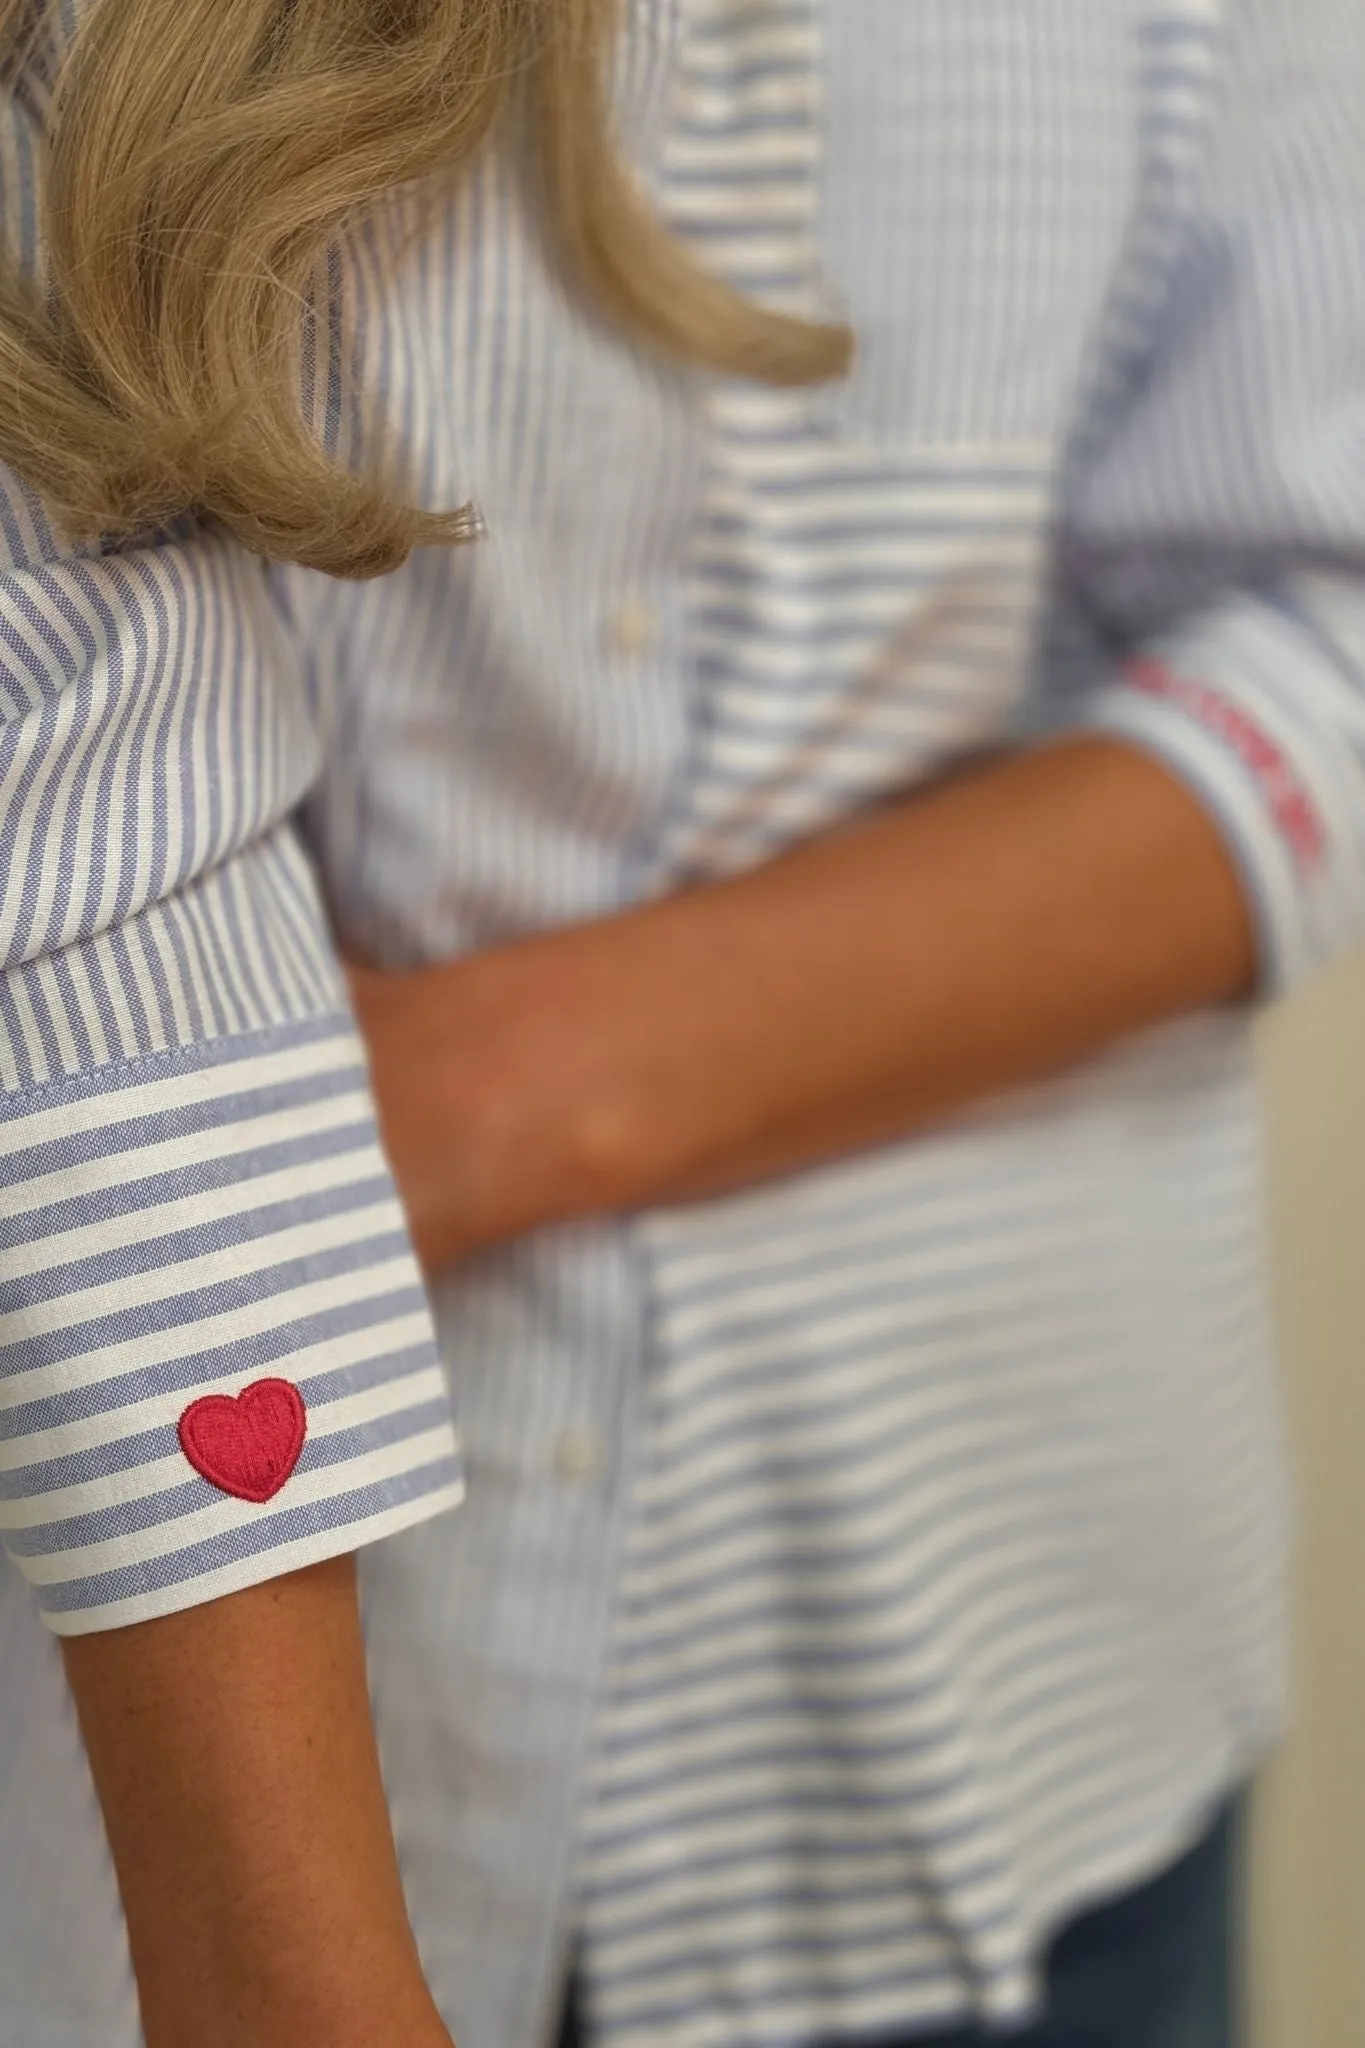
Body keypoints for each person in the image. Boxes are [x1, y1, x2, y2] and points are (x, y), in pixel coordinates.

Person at [0, 0, 1362, 2043]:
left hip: (1026, 1720)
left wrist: (487, 1099)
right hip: (216, 1811)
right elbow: (70, 782)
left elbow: (1321, 615)